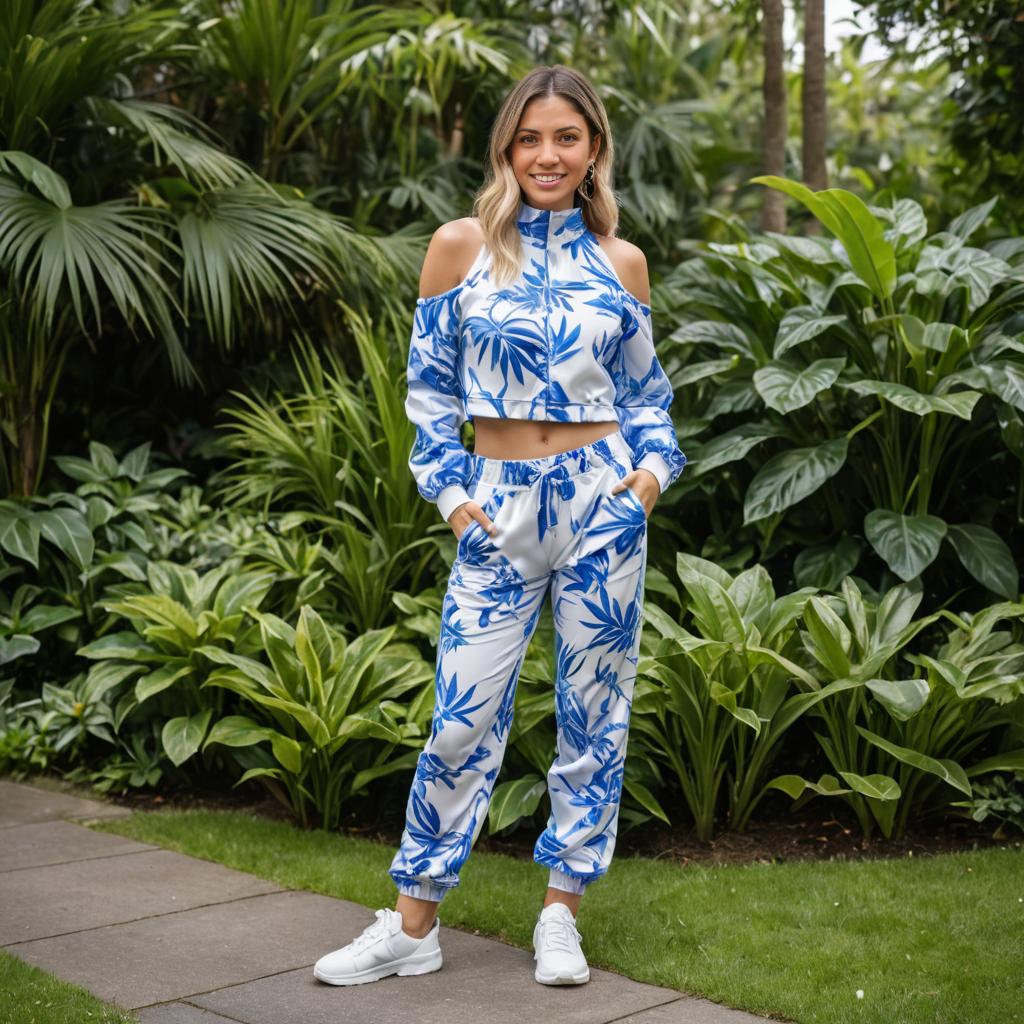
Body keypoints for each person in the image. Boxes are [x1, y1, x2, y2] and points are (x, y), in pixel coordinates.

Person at [314, 63, 686, 989]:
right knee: (459, 715)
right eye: (530, 138)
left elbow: (650, 405)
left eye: (566, 137)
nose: (547, 155)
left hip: (601, 504)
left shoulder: (623, 264)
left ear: (594, 147)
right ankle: (411, 926)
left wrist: (643, 485)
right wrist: (453, 500)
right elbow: (429, 397)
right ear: (506, 150)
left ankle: (561, 912)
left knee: (593, 721)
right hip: (496, 506)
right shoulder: (459, 249)